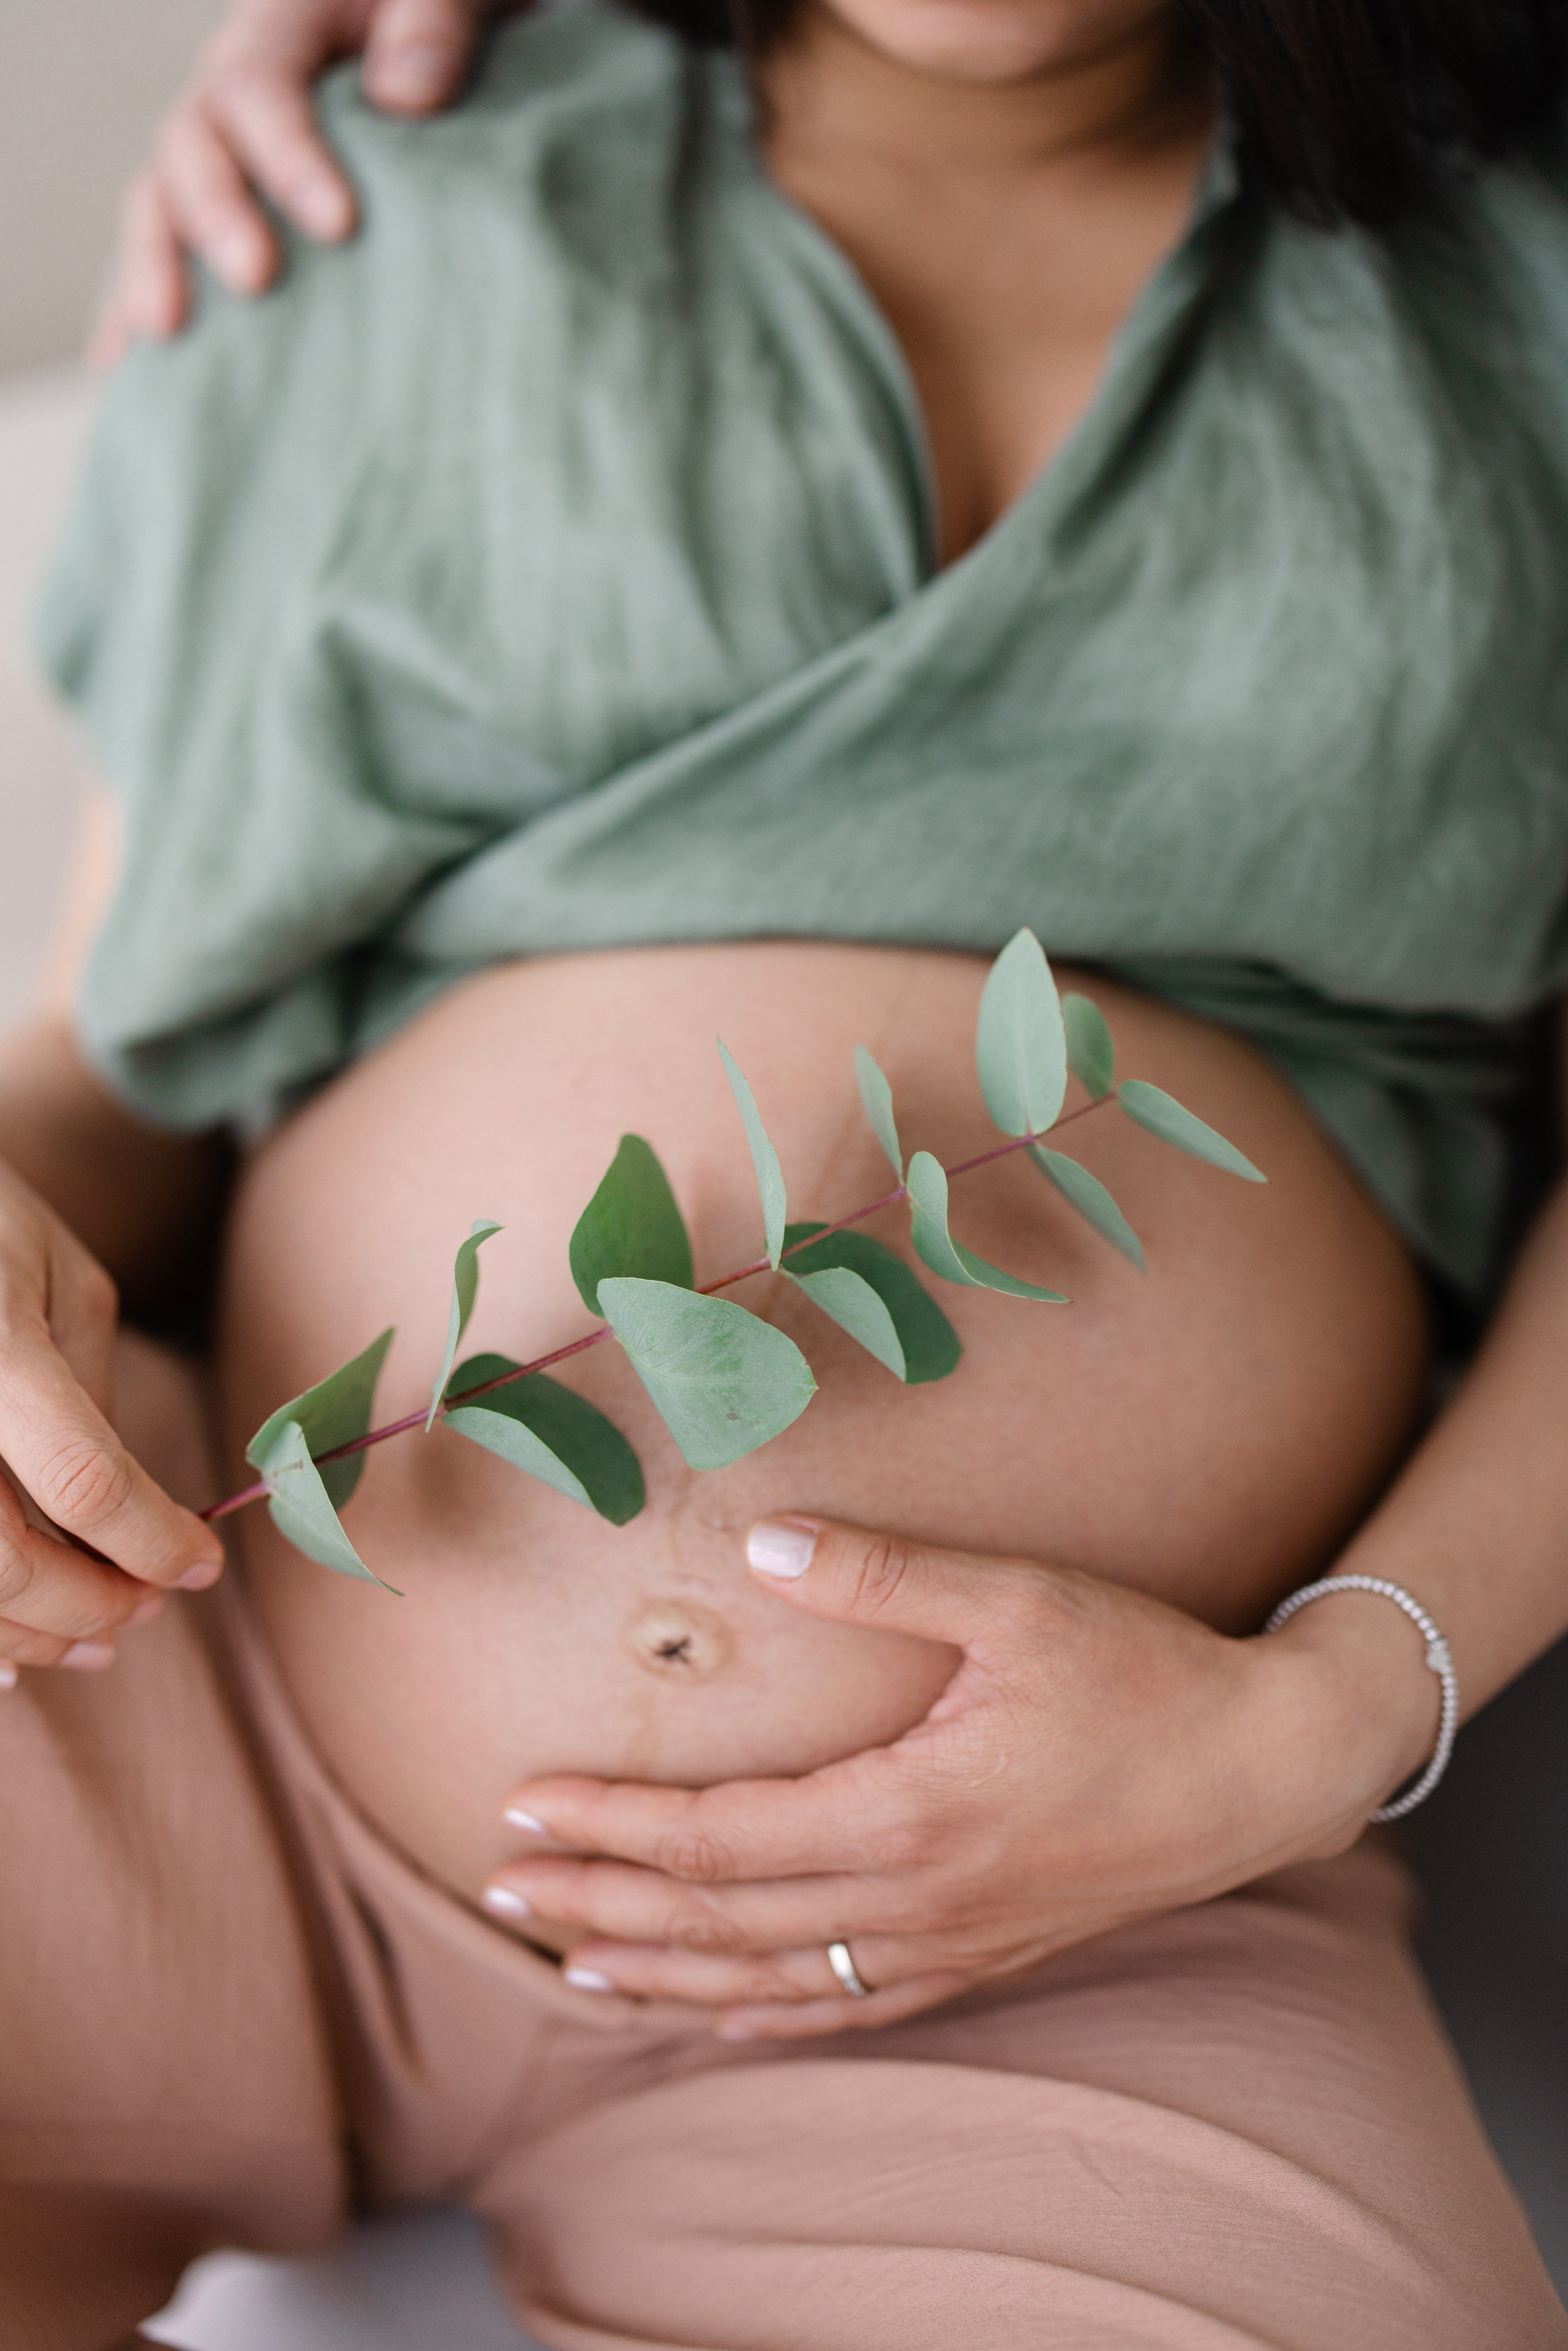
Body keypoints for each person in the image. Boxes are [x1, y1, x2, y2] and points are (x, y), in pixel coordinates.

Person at [3, 0, 1568, 2342]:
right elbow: (122, 1060)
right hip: (174, 1687)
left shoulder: (1524, 296)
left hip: (1078, 1919)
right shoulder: (390, 187)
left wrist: (1324, 1720)